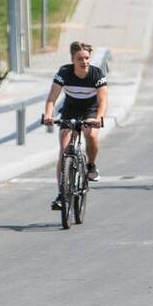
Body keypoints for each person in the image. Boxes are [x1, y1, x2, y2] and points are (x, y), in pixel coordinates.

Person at [42, 41, 108, 211]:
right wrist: (49, 115)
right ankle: (61, 194)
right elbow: (51, 98)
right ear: (73, 60)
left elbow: (103, 100)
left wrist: (98, 118)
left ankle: (91, 165)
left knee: (91, 135)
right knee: (64, 149)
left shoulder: (96, 74)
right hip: (70, 110)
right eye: (80, 59)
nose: (84, 62)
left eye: (86, 58)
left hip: (90, 110)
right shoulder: (64, 73)